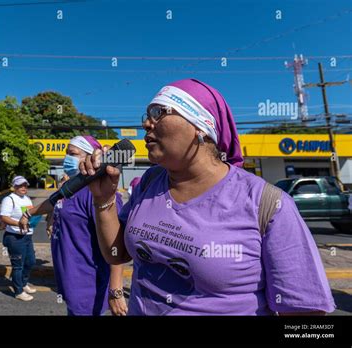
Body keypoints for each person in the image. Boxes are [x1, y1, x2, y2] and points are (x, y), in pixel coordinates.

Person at [81, 78, 336, 315]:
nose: (146, 124)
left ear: (200, 127)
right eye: (146, 116)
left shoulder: (268, 204)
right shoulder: (150, 182)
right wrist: (103, 200)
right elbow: (117, 254)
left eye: (158, 113)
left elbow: (306, 313)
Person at [19, 135, 128, 316]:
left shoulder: (100, 193)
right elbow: (51, 203)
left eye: (73, 154)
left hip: (87, 284)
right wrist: (28, 213)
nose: (66, 159)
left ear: (90, 157)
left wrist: (116, 290)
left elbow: (116, 243)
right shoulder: (70, 187)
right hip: (69, 280)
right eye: (66, 154)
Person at [0, 176, 37, 301]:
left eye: (25, 185)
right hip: (14, 237)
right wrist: (19, 224)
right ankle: (18, 291)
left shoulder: (27, 199)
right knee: (18, 265)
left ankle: (23, 283)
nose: (23, 188)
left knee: (30, 261)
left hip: (27, 235)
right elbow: (4, 217)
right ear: (14, 187)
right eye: (20, 186)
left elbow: (29, 214)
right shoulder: (9, 199)